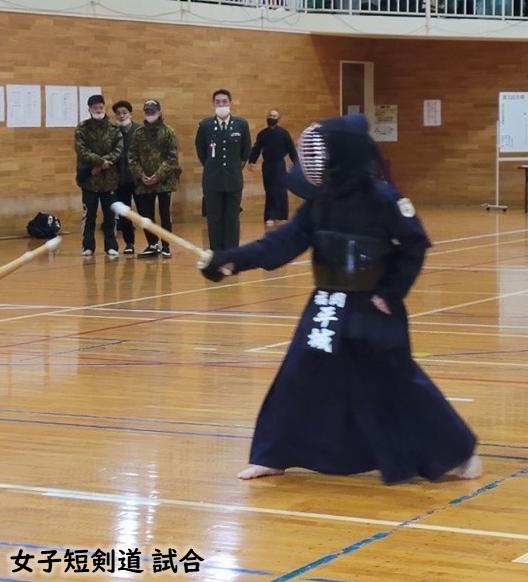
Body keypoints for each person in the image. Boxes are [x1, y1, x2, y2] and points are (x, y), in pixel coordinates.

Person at [200, 114, 481, 485]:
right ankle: (274, 454)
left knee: (397, 382)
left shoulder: (384, 198)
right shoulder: (321, 202)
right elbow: (281, 244)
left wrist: (391, 291)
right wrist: (230, 260)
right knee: (298, 375)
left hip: (373, 308)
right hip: (328, 305)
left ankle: (459, 451)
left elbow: (414, 245)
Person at [195, 89, 251, 251]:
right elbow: (201, 152)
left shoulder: (241, 124)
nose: (221, 104)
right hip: (212, 180)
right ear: (213, 104)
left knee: (232, 219)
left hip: (233, 179)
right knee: (214, 219)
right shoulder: (205, 126)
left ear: (230, 104)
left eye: (224, 101)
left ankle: (232, 253)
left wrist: (234, 168)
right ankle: (217, 254)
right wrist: (213, 167)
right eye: (218, 102)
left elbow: (245, 151)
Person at [129, 99, 181, 258]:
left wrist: (158, 175)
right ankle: (152, 244)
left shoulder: (168, 132)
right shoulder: (139, 133)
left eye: (153, 111)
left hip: (164, 181)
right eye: (147, 111)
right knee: (146, 215)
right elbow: (132, 157)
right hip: (144, 182)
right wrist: (141, 175)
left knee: (165, 214)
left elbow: (172, 158)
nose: (150, 114)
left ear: (159, 112)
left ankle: (166, 245)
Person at [75, 94, 123, 257]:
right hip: (89, 180)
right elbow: (81, 150)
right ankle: (87, 246)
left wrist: (104, 164)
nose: (98, 110)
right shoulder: (82, 128)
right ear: (89, 109)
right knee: (89, 216)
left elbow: (118, 149)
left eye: (101, 107)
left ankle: (111, 246)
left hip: (108, 180)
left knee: (110, 216)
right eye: (95, 107)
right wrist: (98, 162)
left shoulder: (113, 129)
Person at [248, 108, 298, 226]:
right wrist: (252, 161)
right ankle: (270, 216)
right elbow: (256, 148)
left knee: (280, 189)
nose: (272, 118)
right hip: (268, 165)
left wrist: (296, 163)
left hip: (279, 164)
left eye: (274, 116)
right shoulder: (262, 134)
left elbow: (291, 148)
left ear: (278, 119)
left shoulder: (284, 133)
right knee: (270, 189)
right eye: (270, 115)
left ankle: (281, 216)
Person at [112, 100, 141, 255]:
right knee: (125, 213)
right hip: (120, 180)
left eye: (124, 112)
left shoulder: (139, 131)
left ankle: (153, 243)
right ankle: (129, 243)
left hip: (137, 180)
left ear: (130, 113)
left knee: (144, 211)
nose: (122, 115)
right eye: (118, 113)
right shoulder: (113, 132)